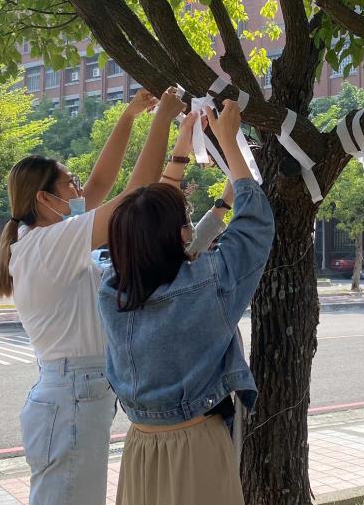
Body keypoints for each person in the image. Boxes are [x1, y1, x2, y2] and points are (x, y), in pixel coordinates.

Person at [0, 87, 185, 505]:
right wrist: (163, 120)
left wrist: (130, 116)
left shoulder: (46, 236)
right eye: (69, 183)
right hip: (73, 394)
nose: (80, 188)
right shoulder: (48, 245)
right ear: (45, 199)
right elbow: (134, 195)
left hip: (75, 392)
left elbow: (100, 184)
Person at [98, 100, 274, 505]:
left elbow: (156, 234)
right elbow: (256, 226)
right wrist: (229, 144)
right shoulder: (209, 286)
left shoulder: (113, 288)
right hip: (196, 445)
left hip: (140, 446)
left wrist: (182, 152)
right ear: (180, 234)